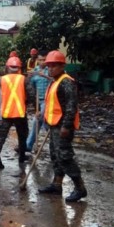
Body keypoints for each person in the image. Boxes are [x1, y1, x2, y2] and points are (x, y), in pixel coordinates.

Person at [38, 51, 87, 202]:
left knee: (65, 157)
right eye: (49, 66)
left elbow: (72, 106)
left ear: (62, 66)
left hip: (63, 127)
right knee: (55, 156)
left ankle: (80, 188)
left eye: (54, 66)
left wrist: (66, 126)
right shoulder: (55, 81)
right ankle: (57, 184)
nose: (50, 69)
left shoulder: (66, 82)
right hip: (54, 125)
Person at [0, 56, 29, 169]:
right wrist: (25, 102)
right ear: (19, 68)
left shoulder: (1, 80)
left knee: (1, 136)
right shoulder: (24, 79)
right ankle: (22, 156)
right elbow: (31, 95)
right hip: (20, 113)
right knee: (22, 136)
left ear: (7, 67)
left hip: (6, 114)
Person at [26, 50, 51, 152]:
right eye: (40, 60)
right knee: (39, 122)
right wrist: (29, 77)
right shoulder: (34, 71)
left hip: (48, 100)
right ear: (37, 60)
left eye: (44, 60)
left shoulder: (50, 70)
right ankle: (29, 145)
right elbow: (30, 85)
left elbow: (54, 81)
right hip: (38, 100)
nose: (42, 62)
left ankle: (28, 145)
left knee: (40, 120)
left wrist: (43, 75)